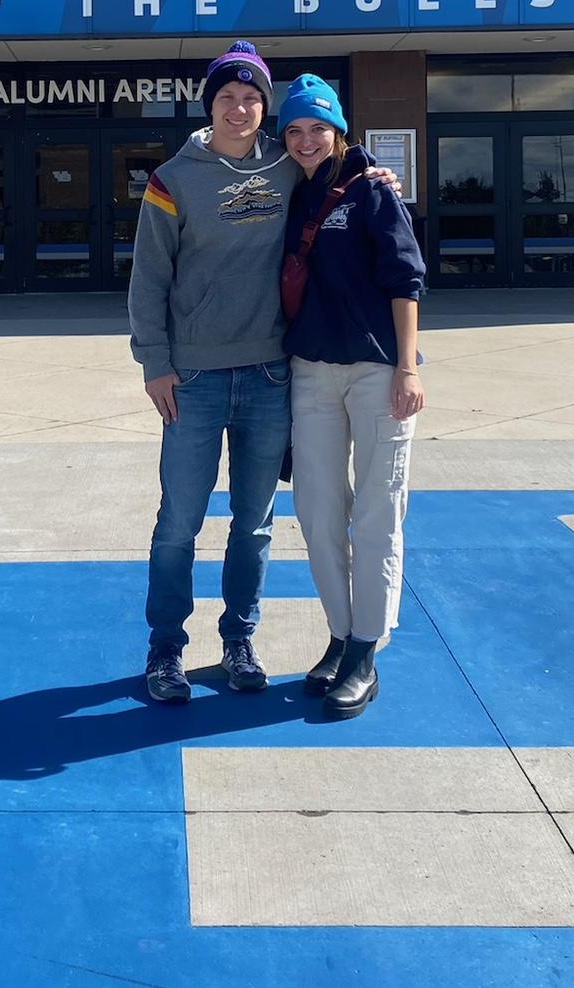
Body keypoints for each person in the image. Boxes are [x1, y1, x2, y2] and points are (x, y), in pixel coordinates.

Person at [128, 42, 400, 705]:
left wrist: (378, 177)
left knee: (254, 524)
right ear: (210, 105)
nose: (240, 107)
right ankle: (166, 650)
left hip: (271, 375)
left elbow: (338, 173)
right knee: (179, 524)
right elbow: (148, 279)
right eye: (227, 96)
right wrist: (155, 364)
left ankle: (238, 641)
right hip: (192, 377)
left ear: (264, 107)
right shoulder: (173, 178)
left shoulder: (287, 166)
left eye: (251, 97)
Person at [279, 73, 426, 720]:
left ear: (340, 130)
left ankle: (366, 649)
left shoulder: (370, 191)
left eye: (318, 128)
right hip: (310, 370)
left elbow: (405, 277)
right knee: (315, 512)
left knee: (376, 512)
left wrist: (407, 367)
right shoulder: (288, 192)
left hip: (376, 371)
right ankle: (339, 635)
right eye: (295, 130)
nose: (307, 139)